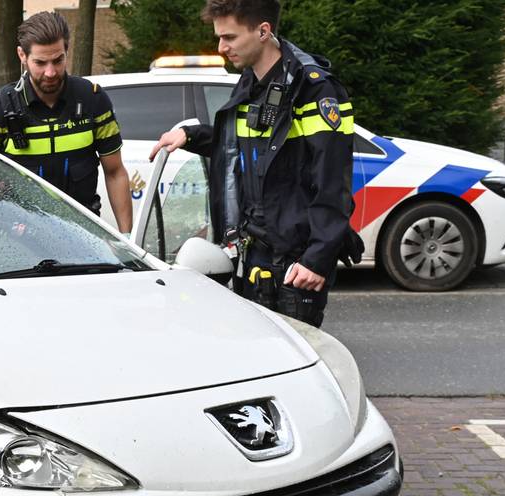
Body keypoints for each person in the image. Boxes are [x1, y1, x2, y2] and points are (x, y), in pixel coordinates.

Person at [148, 0, 362, 327]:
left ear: (263, 31)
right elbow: (241, 145)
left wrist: (316, 261)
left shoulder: (314, 89)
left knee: (293, 364)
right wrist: (190, 136)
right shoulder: (252, 82)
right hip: (255, 251)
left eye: (230, 38)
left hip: (295, 261)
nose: (222, 47)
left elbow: (333, 182)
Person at [0, 12, 133, 233]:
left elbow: (115, 172)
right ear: (22, 55)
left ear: (67, 51)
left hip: (83, 235)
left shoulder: (93, 100)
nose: (51, 72)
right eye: (40, 62)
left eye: (58, 60)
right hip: (15, 240)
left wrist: (127, 239)